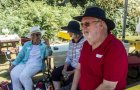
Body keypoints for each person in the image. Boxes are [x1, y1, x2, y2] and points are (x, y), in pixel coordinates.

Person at [71, 7, 128, 90]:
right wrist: (73, 88)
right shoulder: (86, 44)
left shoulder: (115, 48)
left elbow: (108, 86)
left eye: (87, 24)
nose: (83, 28)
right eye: (82, 25)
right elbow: (79, 68)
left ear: (101, 25)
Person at [9, 26, 52, 90]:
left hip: (37, 63)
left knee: (24, 76)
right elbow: (21, 55)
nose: (37, 36)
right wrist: (13, 64)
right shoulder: (27, 44)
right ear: (31, 36)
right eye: (35, 35)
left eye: (38, 34)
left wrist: (48, 46)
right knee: (14, 73)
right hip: (24, 63)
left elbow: (48, 54)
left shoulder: (44, 45)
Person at [51, 21, 85, 90]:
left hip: (80, 69)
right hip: (71, 66)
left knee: (69, 80)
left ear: (75, 32)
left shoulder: (85, 42)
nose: (67, 33)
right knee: (55, 73)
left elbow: (84, 63)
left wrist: (71, 72)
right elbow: (69, 57)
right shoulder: (71, 42)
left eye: (69, 31)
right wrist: (65, 68)